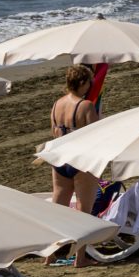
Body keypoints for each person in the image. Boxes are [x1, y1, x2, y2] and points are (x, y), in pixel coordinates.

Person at [47, 64, 102, 231]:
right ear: (82, 82)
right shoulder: (85, 106)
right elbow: (97, 136)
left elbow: (54, 132)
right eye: (89, 83)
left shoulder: (57, 104)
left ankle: (51, 256)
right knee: (84, 211)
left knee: (58, 211)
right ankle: (80, 257)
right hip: (80, 161)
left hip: (60, 160)